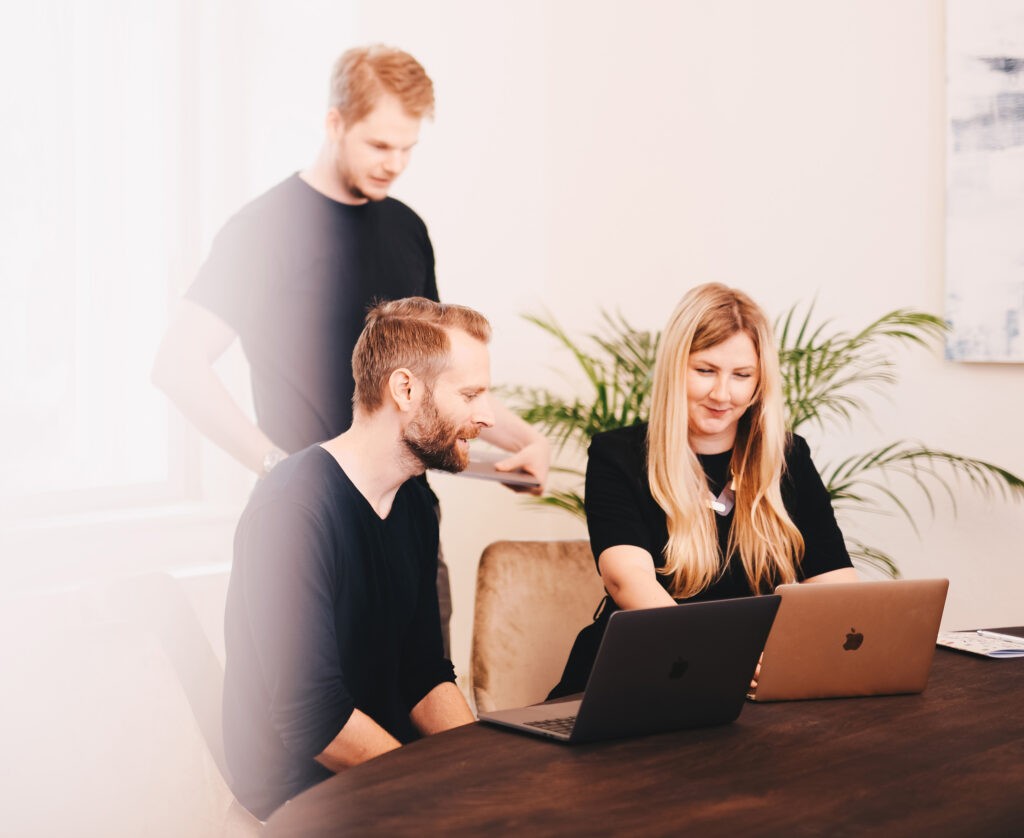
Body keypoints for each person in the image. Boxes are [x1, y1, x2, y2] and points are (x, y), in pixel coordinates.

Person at [151, 45, 549, 651]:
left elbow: (443, 380)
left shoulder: (408, 229)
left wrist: (521, 442)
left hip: (411, 520)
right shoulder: (264, 230)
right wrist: (274, 466)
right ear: (335, 122)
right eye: (380, 145)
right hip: (316, 522)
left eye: (408, 148)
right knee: (324, 723)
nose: (395, 164)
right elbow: (177, 363)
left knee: (428, 716)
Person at [223, 297, 492, 819]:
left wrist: (486, 765)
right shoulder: (292, 511)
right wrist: (436, 787)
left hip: (386, 773)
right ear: (405, 389)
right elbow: (312, 721)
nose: (487, 416)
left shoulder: (413, 501)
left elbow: (424, 675)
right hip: (299, 798)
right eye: (471, 394)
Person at [549, 283, 858, 698]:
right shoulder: (617, 455)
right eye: (706, 371)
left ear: (760, 382)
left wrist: (825, 647)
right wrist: (723, 655)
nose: (722, 394)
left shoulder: (789, 456)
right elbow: (626, 580)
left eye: (742, 376)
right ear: (677, 368)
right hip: (642, 673)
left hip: (752, 682)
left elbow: (835, 581)